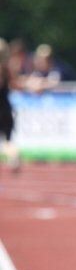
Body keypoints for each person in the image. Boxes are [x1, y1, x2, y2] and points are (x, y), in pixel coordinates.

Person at [0, 39, 21, 171]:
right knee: (8, 139)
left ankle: (13, 158)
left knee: (8, 139)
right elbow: (15, 84)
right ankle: (13, 157)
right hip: (6, 107)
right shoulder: (8, 68)